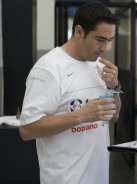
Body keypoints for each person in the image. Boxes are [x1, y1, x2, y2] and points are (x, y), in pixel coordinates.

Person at [19, 1, 121, 184]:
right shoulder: (48, 69)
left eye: (109, 41)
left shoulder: (98, 65)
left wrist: (114, 88)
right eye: (100, 40)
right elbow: (27, 129)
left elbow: (113, 117)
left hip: (99, 176)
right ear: (79, 31)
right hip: (65, 178)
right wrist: (80, 116)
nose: (105, 48)